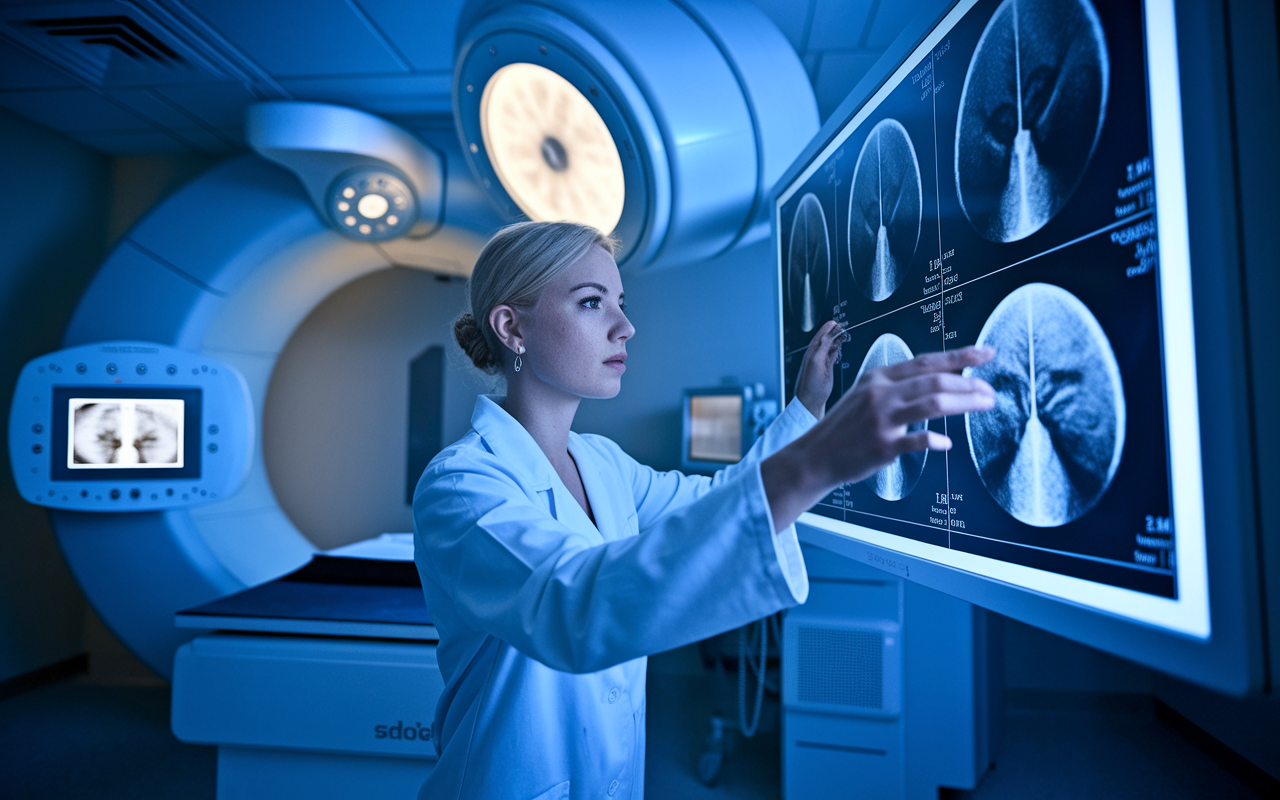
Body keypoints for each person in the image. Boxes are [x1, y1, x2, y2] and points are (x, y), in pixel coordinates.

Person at [412, 221, 995, 800]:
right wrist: (817, 461)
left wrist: (807, 409)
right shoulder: (463, 486)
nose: (626, 326)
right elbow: (571, 604)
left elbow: (717, 500)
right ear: (512, 327)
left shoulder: (601, 463)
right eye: (592, 303)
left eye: (620, 302)